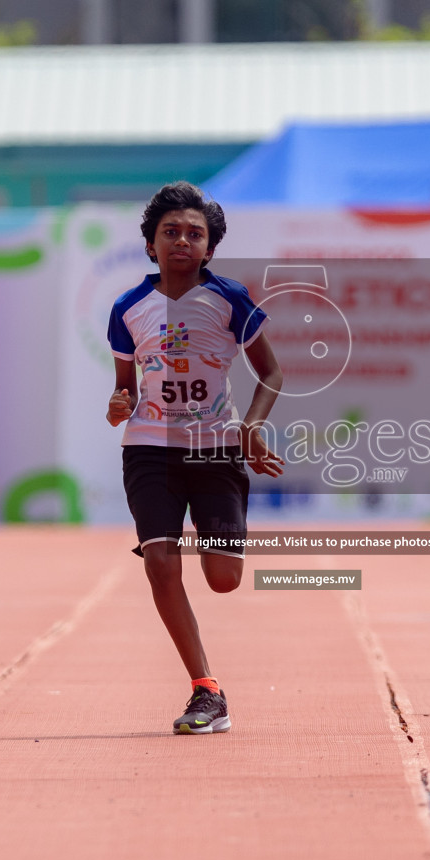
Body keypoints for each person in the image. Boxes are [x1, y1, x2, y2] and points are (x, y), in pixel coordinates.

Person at [106, 182, 284, 734]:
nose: (182, 240)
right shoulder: (127, 308)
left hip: (215, 452)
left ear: (209, 248)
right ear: (151, 243)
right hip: (148, 450)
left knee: (223, 578)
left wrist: (251, 426)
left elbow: (272, 373)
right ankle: (206, 690)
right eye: (170, 232)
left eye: (194, 234)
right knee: (160, 563)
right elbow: (124, 391)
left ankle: (221, 539)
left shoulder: (230, 299)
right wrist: (120, 404)